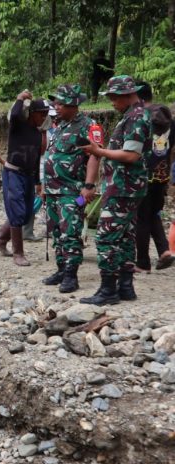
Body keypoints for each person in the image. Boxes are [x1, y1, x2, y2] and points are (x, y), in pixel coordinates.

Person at [80, 75, 152, 305]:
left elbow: (131, 155)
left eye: (113, 97)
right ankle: (126, 287)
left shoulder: (136, 117)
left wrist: (99, 151)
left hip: (123, 188)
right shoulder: (134, 115)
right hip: (127, 187)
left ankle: (108, 289)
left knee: (106, 237)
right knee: (125, 236)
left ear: (124, 95)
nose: (111, 102)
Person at [41, 84, 104, 293]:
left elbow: (95, 155)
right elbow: (50, 157)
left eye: (61, 103)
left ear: (74, 104)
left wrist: (88, 186)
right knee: (56, 231)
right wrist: (44, 186)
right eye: (56, 102)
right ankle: (61, 269)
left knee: (71, 231)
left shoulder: (88, 126)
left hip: (73, 192)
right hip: (53, 192)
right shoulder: (59, 126)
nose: (56, 107)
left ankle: (71, 275)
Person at [0, 93, 48, 266]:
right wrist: (19, 98)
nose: (43, 118)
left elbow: (37, 159)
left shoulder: (38, 134)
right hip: (13, 173)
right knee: (17, 211)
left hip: (29, 175)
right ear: (32, 113)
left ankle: (1, 239)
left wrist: (39, 182)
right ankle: (18, 253)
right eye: (41, 114)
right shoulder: (18, 125)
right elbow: (15, 114)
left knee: (25, 213)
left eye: (46, 114)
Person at [134, 82, 175, 271]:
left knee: (142, 216)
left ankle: (142, 262)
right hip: (162, 174)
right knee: (153, 214)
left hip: (144, 174)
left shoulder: (142, 117)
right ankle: (164, 251)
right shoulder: (169, 119)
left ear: (139, 98)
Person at [25, 103, 58, 241]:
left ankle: (53, 228)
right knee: (38, 198)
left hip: (55, 172)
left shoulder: (57, 131)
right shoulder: (36, 132)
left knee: (52, 201)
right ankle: (21, 230)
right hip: (40, 169)